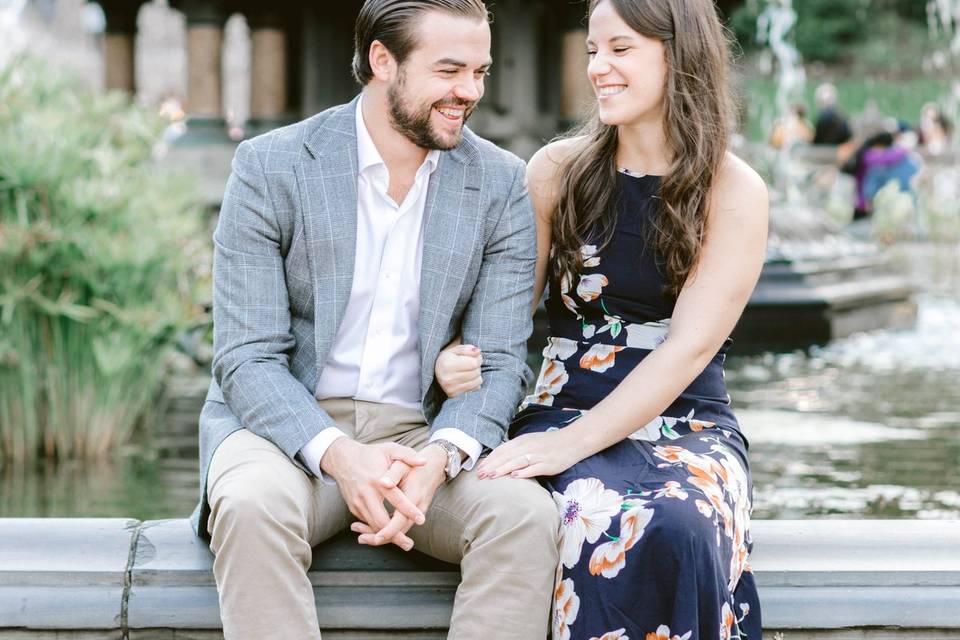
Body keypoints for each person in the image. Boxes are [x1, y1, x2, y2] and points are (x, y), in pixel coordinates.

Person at [191, 1, 560, 638]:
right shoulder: (270, 166)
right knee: (250, 507)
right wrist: (339, 456)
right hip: (287, 434)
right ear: (381, 61)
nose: (469, 92)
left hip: (423, 434)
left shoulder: (501, 184)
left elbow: (501, 362)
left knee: (525, 517)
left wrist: (442, 456)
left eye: (481, 71)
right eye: (449, 71)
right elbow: (245, 359)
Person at [435, 0, 767, 638]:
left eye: (620, 49)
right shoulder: (557, 172)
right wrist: (455, 356)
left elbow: (689, 349)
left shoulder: (734, 190)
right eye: (592, 51)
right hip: (561, 407)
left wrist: (572, 444)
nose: (598, 68)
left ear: (679, 53)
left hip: (688, 425)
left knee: (680, 524)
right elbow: (500, 317)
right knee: (580, 510)